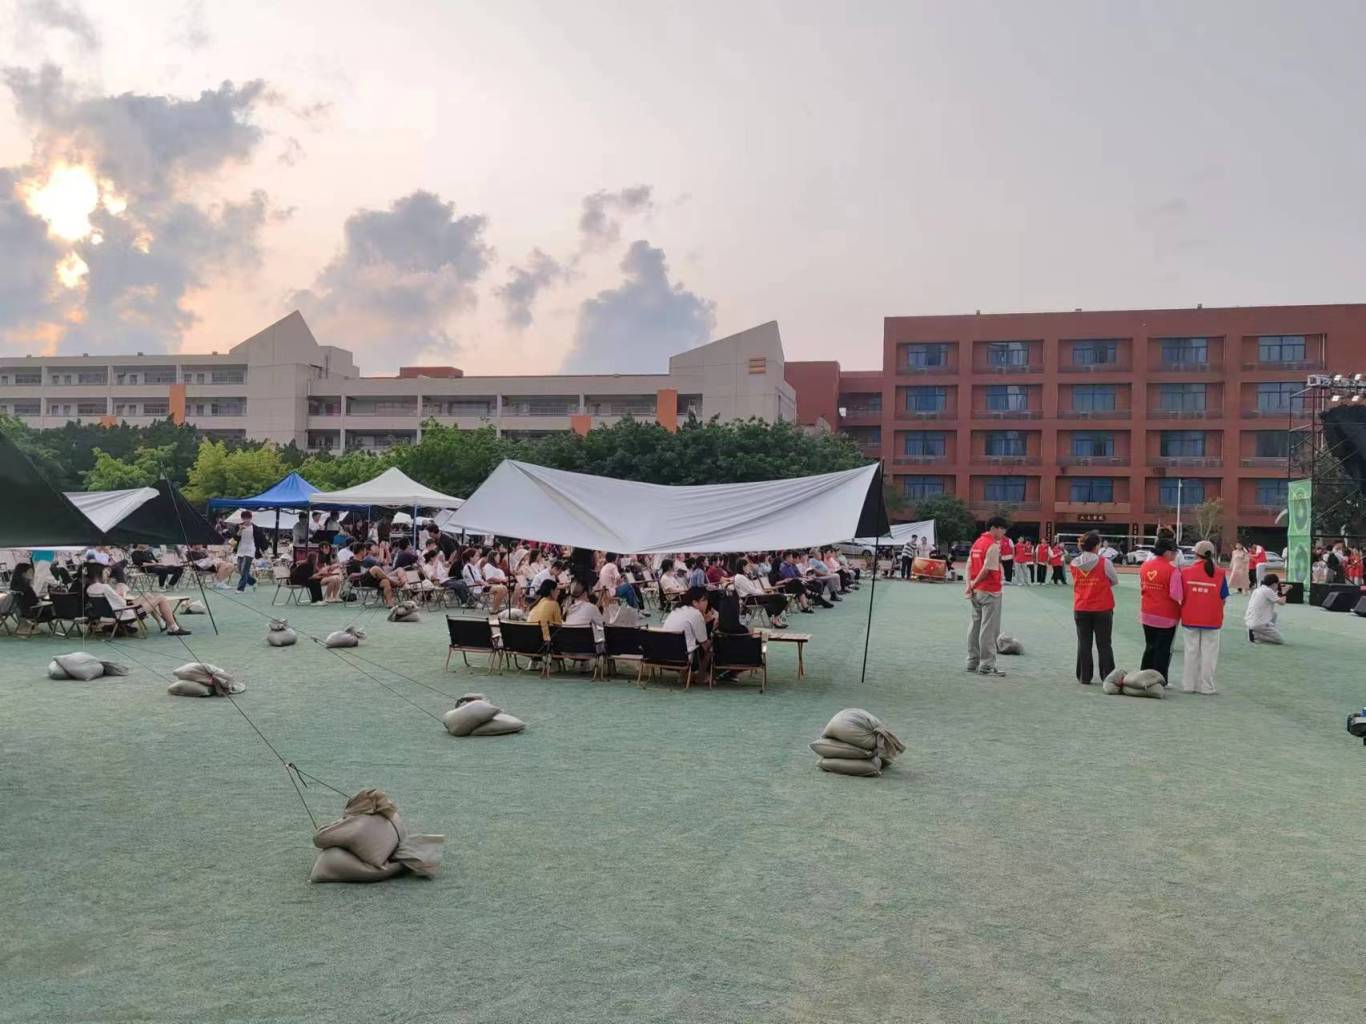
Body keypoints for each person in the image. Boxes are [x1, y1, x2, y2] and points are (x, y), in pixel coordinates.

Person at [85, 563, 192, 636]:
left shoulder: (90, 588)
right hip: (125, 614)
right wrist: (123, 592)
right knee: (161, 597)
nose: (107, 574)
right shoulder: (105, 587)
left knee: (147, 595)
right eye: (105, 572)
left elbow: (111, 604)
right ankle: (173, 628)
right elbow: (122, 603)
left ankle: (163, 623)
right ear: (99, 573)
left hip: (117, 612)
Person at [1179, 539, 1229, 695]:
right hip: (1212, 619)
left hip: (1190, 617)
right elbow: (1223, 597)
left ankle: (1189, 685)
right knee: (1209, 655)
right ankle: (1206, 687)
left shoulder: (1185, 572)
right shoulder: (1220, 573)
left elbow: (1180, 595)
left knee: (1190, 652)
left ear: (1196, 554)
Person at [1070, 531, 1117, 685]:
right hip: (1102, 607)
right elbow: (1114, 580)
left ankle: (1084, 676)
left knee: (1084, 643)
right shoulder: (1104, 562)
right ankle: (1108, 676)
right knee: (1104, 643)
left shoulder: (1074, 563)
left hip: (1081, 606)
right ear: (1097, 546)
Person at [964, 516, 1009, 677]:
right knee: (989, 629)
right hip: (990, 591)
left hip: (976, 592)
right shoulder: (993, 545)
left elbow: (968, 566)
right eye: (1002, 529)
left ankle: (972, 661)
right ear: (994, 528)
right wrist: (974, 584)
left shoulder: (977, 543)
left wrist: (969, 585)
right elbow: (987, 569)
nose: (1003, 533)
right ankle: (986, 665)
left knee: (975, 626)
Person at [1138, 538, 1183, 685]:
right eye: (1175, 552)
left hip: (1147, 612)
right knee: (1163, 650)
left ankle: (1142, 677)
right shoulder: (1172, 570)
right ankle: (1159, 680)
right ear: (1167, 552)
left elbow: (1142, 586)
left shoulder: (1145, 566)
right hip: (1166, 616)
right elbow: (1176, 595)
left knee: (1149, 646)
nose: (1176, 555)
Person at [662, 585, 713, 680]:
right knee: (711, 648)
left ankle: (686, 675)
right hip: (682, 657)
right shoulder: (696, 614)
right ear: (694, 602)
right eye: (704, 600)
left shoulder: (676, 610)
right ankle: (700, 676)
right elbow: (704, 643)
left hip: (663, 655)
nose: (707, 602)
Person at [8, 562, 55, 634]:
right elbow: (35, 602)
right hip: (33, 612)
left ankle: (30, 626)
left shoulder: (14, 587)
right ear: (23, 574)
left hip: (25, 612)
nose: (33, 573)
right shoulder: (26, 589)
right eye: (30, 572)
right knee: (54, 606)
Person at [1245, 573, 1287, 644]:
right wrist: (1285, 592)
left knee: (1274, 614)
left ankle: (1255, 631)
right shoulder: (1268, 591)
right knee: (1281, 640)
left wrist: (1280, 590)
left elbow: (1275, 595)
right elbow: (1282, 602)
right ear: (1274, 584)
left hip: (1250, 621)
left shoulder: (1258, 589)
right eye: (1277, 584)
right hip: (1259, 623)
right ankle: (1255, 636)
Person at [234, 511, 263, 592]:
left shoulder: (255, 528)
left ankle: (240, 588)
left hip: (250, 549)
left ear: (250, 518)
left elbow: (260, 539)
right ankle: (253, 581)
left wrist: (261, 549)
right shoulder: (238, 526)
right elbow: (236, 538)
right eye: (244, 518)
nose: (246, 520)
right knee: (240, 569)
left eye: (248, 518)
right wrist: (240, 530)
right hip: (241, 549)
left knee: (245, 569)